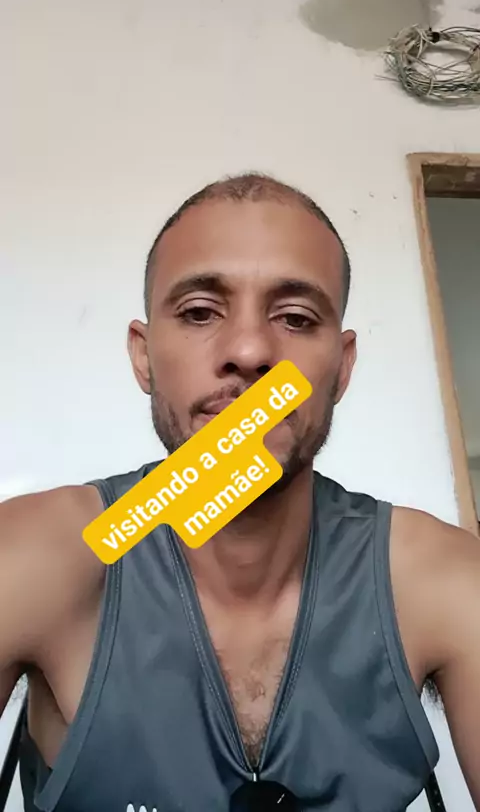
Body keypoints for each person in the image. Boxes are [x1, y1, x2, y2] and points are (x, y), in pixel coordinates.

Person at [1, 173, 479, 812]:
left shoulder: (443, 579)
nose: (250, 351)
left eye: (296, 318)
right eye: (199, 312)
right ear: (143, 356)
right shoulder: (31, 558)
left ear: (342, 369)